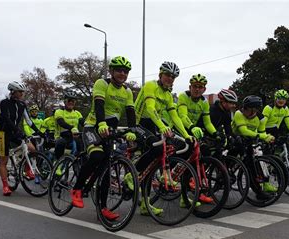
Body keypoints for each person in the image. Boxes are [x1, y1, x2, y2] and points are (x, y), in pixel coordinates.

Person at [71, 56, 137, 221]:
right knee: (96, 156)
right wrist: (101, 123)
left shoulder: (127, 91)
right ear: (111, 71)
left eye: (125, 71)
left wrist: (133, 131)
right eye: (119, 70)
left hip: (110, 130)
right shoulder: (102, 84)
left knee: (107, 168)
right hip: (93, 126)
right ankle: (77, 189)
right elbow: (99, 105)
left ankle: (103, 207)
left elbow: (130, 113)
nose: (122, 73)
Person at [133, 61, 192, 215]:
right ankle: (130, 174)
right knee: (157, 147)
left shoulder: (167, 95)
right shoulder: (151, 86)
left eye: (173, 77)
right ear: (160, 74)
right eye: (167, 75)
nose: (170, 78)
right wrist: (161, 127)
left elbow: (175, 116)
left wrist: (186, 135)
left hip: (153, 124)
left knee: (160, 157)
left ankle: (145, 204)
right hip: (138, 123)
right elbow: (151, 109)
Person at [177, 74, 219, 203]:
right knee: (185, 152)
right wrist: (191, 126)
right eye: (195, 86)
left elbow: (207, 123)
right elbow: (182, 116)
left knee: (204, 151)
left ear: (204, 90)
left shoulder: (204, 102)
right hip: (179, 127)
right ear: (190, 87)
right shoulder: (183, 96)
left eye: (200, 87)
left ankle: (190, 184)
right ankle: (171, 175)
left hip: (192, 129)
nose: (197, 89)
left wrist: (216, 134)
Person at [0, 81, 44, 196]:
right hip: (4, 132)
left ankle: (27, 169)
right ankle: (5, 186)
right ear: (13, 92)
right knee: (3, 160)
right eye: (20, 91)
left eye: (22, 92)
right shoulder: (4, 103)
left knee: (32, 149)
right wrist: (17, 130)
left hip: (15, 131)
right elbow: (7, 119)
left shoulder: (22, 105)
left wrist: (40, 132)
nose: (22, 94)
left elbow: (29, 121)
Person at [231, 95, 277, 192]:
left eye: (246, 109)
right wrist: (263, 136)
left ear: (254, 110)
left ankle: (265, 183)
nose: (244, 110)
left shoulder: (261, 119)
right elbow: (243, 131)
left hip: (248, 140)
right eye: (244, 108)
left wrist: (267, 138)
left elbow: (262, 132)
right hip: (235, 138)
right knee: (230, 157)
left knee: (259, 158)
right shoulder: (239, 113)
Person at [54, 90, 83, 161]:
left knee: (83, 148)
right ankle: (58, 164)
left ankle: (79, 166)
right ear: (65, 101)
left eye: (73, 101)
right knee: (60, 143)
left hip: (75, 136)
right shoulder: (59, 112)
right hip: (62, 136)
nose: (71, 102)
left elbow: (83, 122)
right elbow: (61, 122)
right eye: (69, 100)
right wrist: (71, 128)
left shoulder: (77, 113)